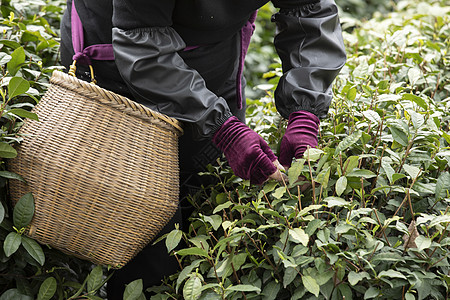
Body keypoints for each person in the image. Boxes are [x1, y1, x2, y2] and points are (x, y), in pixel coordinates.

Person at [60, 0, 346, 298]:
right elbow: (140, 42)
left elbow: (310, 10)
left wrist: (304, 111)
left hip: (212, 56)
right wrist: (225, 129)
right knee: (149, 245)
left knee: (207, 204)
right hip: (119, 58)